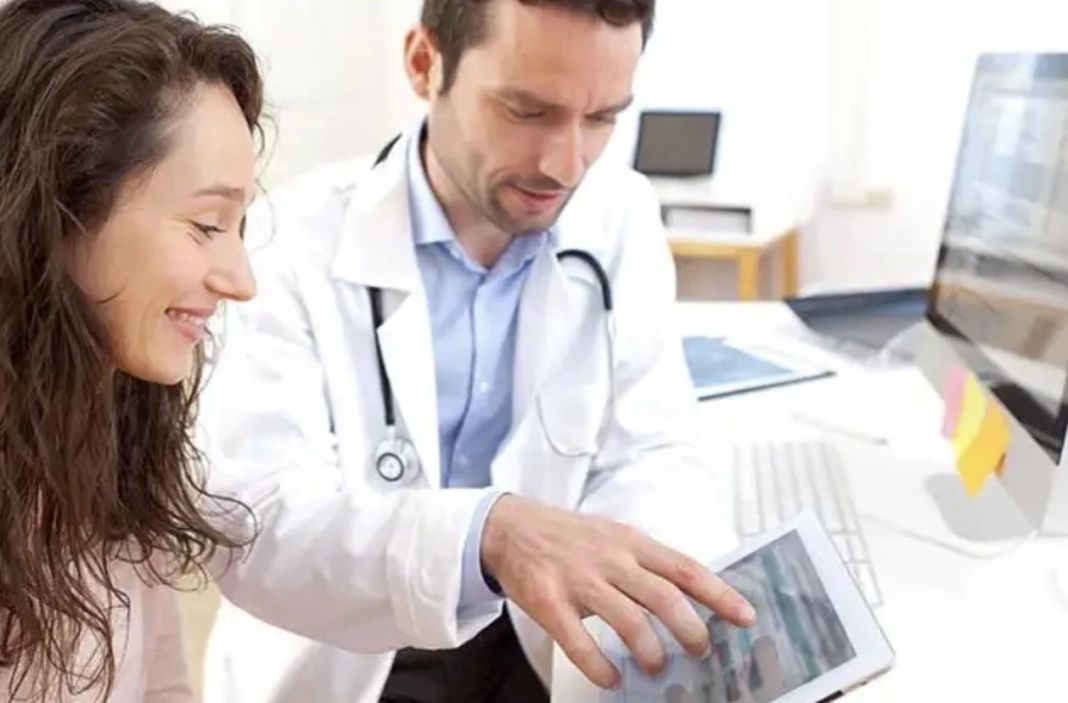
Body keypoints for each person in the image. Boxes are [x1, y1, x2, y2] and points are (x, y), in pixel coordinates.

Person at [198, 0, 754, 701]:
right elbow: (256, 520)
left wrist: (679, 609)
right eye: (528, 111)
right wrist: (489, 535)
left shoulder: (620, 215)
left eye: (602, 117)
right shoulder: (288, 241)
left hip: (539, 635)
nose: (566, 164)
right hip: (353, 646)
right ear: (424, 64)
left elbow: (653, 449)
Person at [0, 1, 262, 700]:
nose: (241, 281)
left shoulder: (112, 433)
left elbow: (159, 686)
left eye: (239, 226)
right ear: (61, 203)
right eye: (207, 225)